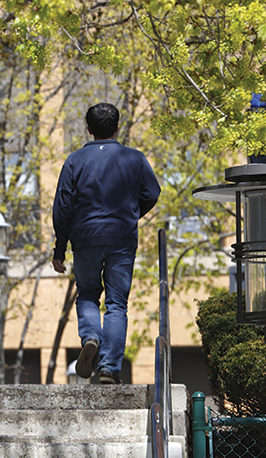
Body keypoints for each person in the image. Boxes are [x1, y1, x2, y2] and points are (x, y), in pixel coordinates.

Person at [51, 103, 161, 384]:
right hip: (122, 238)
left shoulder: (75, 160)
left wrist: (60, 247)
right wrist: (131, 214)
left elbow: (63, 206)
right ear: (117, 127)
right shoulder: (134, 158)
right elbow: (152, 191)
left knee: (87, 293)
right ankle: (109, 369)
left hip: (85, 238)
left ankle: (90, 336)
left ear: (88, 129)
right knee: (116, 303)